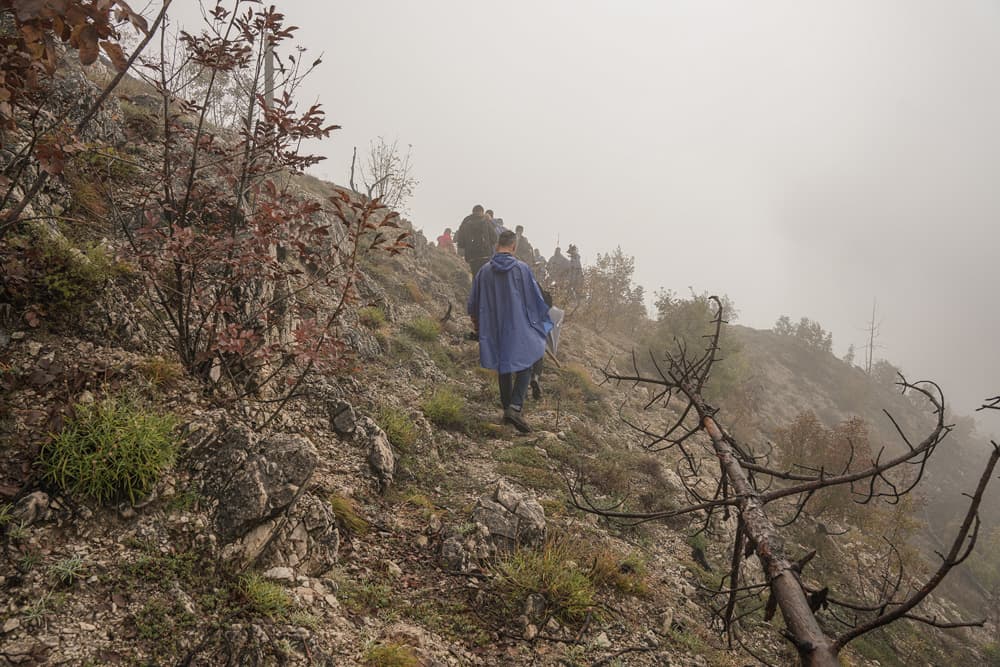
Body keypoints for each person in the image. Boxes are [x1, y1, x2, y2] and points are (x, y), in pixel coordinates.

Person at [468, 230, 552, 432]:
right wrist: (542, 322)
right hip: (518, 324)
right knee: (528, 363)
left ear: (498, 245)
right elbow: (534, 299)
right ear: (514, 246)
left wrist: (478, 327)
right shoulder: (522, 269)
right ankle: (514, 407)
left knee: (502, 364)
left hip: (493, 325)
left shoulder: (484, 271)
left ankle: (507, 408)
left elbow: (473, 303)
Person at [454, 205, 498, 276]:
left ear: (473, 212)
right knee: (486, 277)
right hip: (486, 255)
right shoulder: (486, 221)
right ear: (482, 212)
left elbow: (460, 243)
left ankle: (476, 286)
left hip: (472, 257)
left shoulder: (466, 222)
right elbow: (494, 238)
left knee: (475, 276)